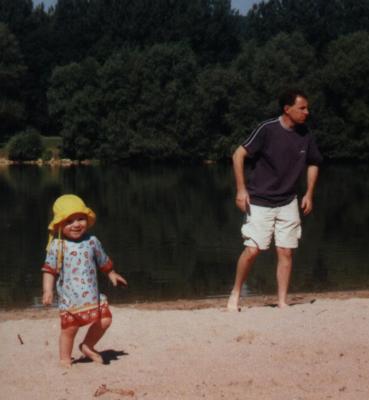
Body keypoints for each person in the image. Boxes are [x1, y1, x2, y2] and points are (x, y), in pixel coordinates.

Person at [227, 89, 322, 311]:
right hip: (259, 200)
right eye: (302, 108)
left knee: (286, 251)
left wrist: (309, 193)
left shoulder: (305, 134)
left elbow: (314, 162)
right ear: (287, 109)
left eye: (307, 108)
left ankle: (281, 301)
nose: (307, 112)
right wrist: (241, 190)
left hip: (288, 201)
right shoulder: (267, 129)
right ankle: (235, 293)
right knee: (252, 250)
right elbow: (238, 154)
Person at [42, 194, 128, 367]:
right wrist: (47, 291)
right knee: (69, 330)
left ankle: (88, 346)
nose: (76, 224)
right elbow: (49, 270)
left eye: (80, 219)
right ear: (59, 224)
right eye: (69, 221)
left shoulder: (92, 241)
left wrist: (111, 273)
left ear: (87, 220)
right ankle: (65, 358)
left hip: (92, 296)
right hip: (70, 299)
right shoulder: (57, 246)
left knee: (105, 320)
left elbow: (102, 260)